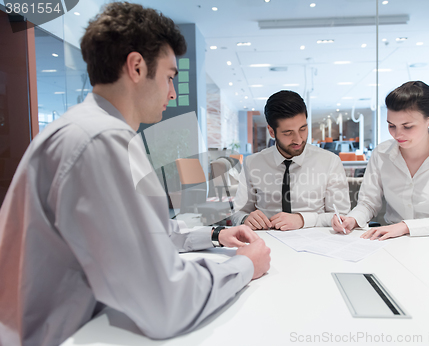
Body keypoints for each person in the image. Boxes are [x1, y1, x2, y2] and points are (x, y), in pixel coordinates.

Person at [0, 3, 270, 346]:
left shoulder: (86, 130)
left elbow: (136, 236)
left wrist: (215, 235)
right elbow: (165, 305)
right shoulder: (101, 141)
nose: (173, 92)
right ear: (137, 67)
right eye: (169, 76)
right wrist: (244, 266)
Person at [332, 81, 429, 240]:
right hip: (395, 241)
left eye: (407, 126)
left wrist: (405, 227)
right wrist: (352, 219)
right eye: (391, 125)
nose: (397, 134)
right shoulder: (381, 154)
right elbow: (368, 204)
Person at [232, 90, 350, 231]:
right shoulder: (252, 163)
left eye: (303, 129)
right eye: (288, 133)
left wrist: (302, 219)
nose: (298, 139)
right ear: (271, 131)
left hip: (315, 242)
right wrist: (245, 219)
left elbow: (341, 216)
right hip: (266, 241)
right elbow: (237, 213)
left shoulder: (330, 162)